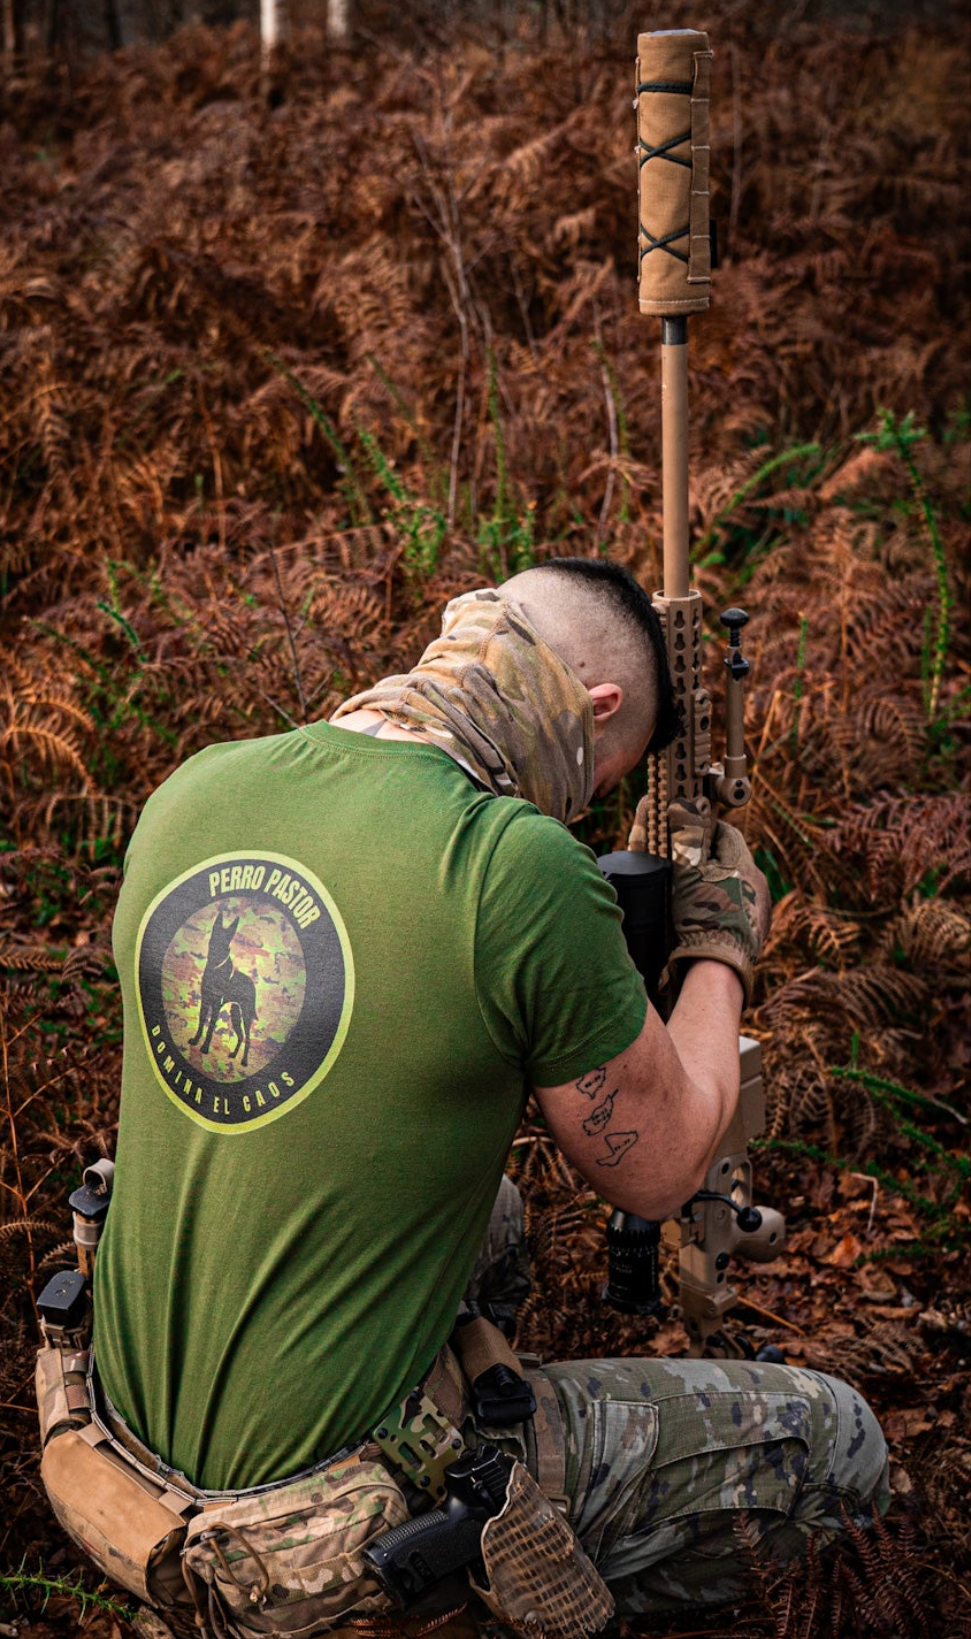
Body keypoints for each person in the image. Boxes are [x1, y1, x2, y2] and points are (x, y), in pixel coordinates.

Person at [78, 557, 887, 1627]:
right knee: (837, 1446)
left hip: (115, 1469)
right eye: (605, 779)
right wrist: (720, 942)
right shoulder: (513, 866)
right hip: (296, 1537)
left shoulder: (198, 786)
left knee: (495, 1219)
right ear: (595, 712)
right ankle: (456, 1581)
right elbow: (658, 1167)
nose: (585, 807)